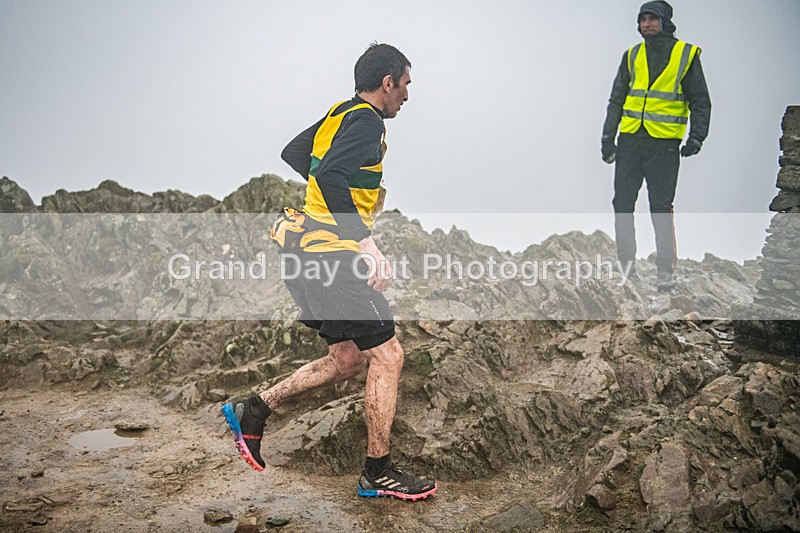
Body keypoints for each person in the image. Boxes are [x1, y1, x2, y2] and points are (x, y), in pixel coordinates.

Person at [221, 43, 437, 501]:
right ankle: (378, 473)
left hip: (303, 254)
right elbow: (332, 174)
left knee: (348, 359)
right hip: (331, 256)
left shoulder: (339, 114)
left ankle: (254, 409)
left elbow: (295, 153)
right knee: (388, 356)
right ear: (387, 83)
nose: (407, 95)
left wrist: (329, 195)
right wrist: (364, 240)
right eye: (405, 84)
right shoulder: (368, 121)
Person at [601, 0, 711, 291]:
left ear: (665, 22)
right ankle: (626, 265)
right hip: (630, 140)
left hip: (664, 144)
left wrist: (697, 137)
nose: (646, 24)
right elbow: (616, 100)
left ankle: (665, 272)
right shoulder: (632, 55)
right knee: (622, 203)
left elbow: (700, 100)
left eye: (652, 19)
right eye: (642, 19)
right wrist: (607, 139)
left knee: (660, 206)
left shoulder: (685, 55)